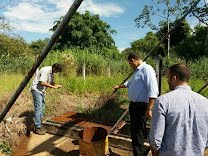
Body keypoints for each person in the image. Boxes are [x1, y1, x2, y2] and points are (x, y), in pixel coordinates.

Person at [149, 63, 208, 156]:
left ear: (174, 78)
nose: (168, 81)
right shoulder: (206, 103)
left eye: (168, 78)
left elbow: (155, 139)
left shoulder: (163, 101)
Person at [113, 53, 158, 156]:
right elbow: (130, 83)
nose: (130, 65)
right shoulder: (138, 72)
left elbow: (153, 91)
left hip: (141, 107)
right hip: (134, 106)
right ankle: (140, 152)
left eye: (130, 63)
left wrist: (149, 109)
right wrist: (118, 86)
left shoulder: (147, 69)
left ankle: (139, 154)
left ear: (134, 60)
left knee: (137, 133)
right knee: (137, 131)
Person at [31, 63, 63, 135]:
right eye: (57, 71)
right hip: (36, 89)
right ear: (55, 68)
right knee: (38, 107)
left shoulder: (51, 73)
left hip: (41, 90)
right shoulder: (46, 70)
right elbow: (42, 82)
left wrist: (55, 85)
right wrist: (53, 87)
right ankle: (37, 127)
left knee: (42, 107)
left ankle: (39, 123)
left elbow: (51, 82)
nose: (57, 72)